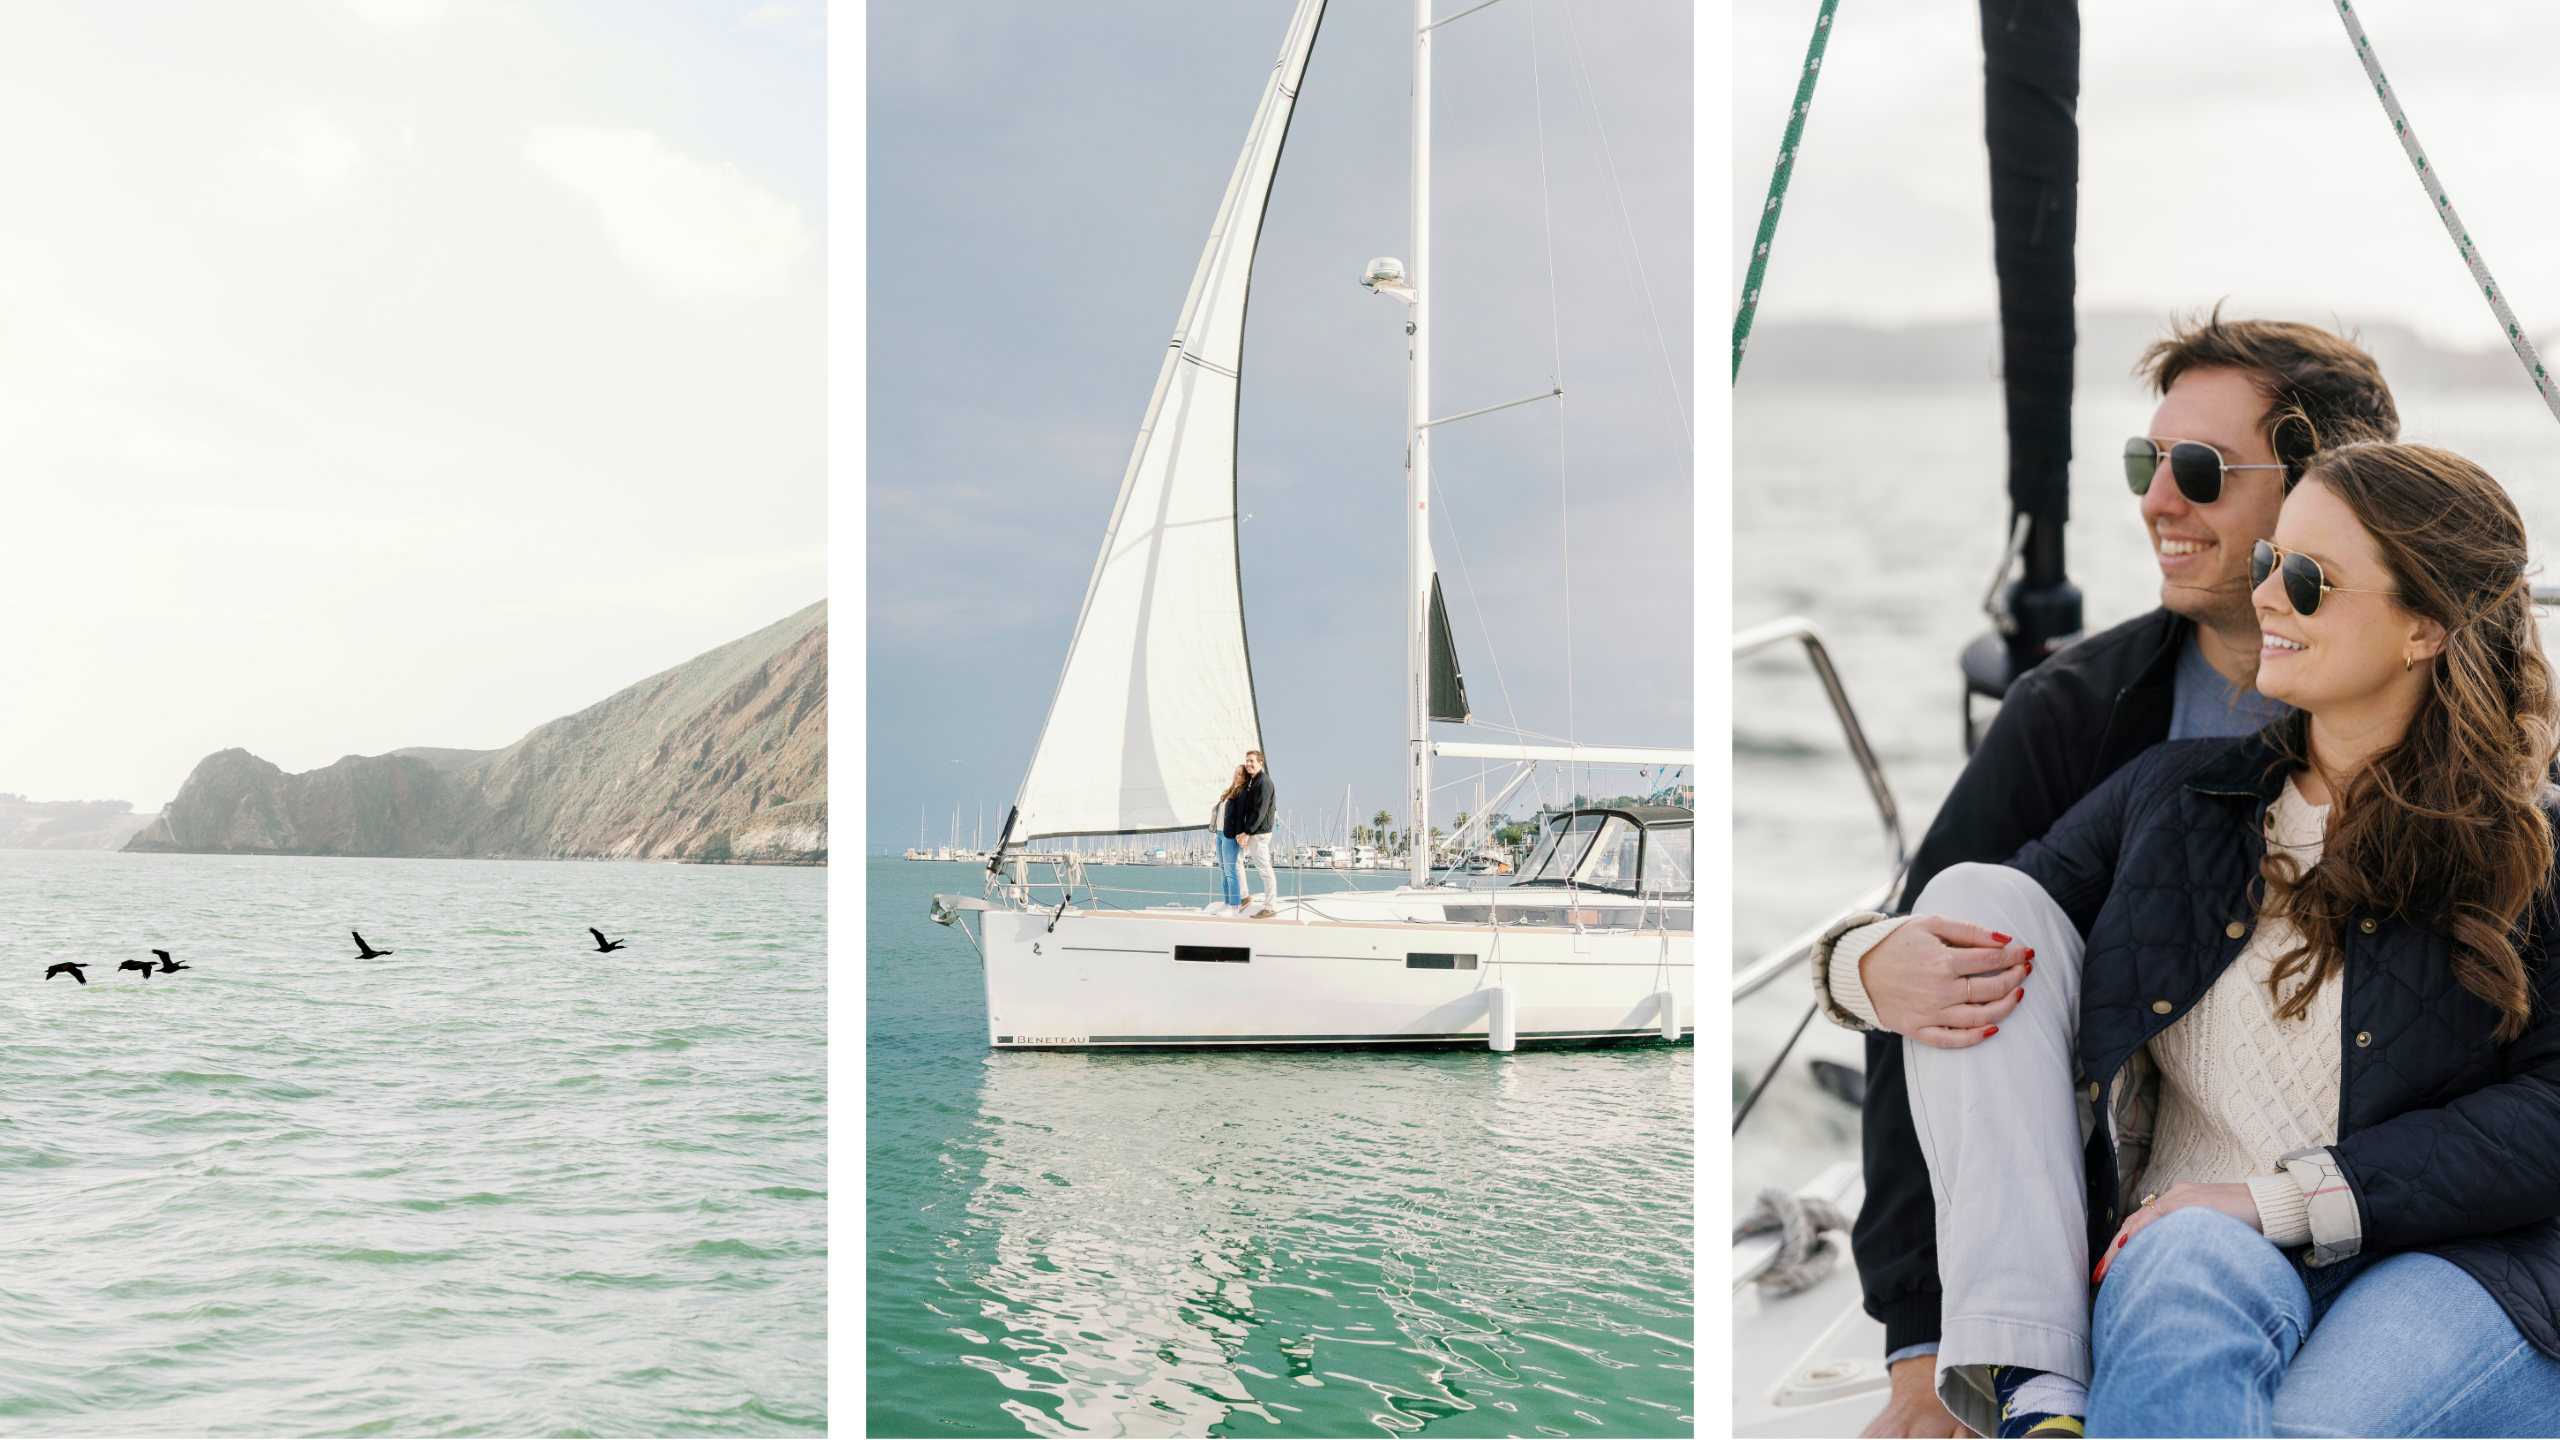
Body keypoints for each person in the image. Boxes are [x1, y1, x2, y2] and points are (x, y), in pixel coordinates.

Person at [1821, 442, 2560, 1436]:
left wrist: (2279, 1198)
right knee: (1972, 890)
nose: (2266, 599)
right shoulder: (2178, 795)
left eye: (2306, 580)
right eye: (2267, 564)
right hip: (2189, 1248)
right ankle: (2033, 1382)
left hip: (2444, 1263)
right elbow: (1986, 926)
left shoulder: (2529, 846)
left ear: (2423, 625)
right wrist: (1855, 963)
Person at [1838, 314, 2402, 1437]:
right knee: (1966, 907)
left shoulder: (2487, 743)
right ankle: (2030, 1383)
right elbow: (1929, 968)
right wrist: (1922, 1346)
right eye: (2145, 464)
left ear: (2319, 495)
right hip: (2153, 1210)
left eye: (2196, 469)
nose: (2154, 502)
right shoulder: (2081, 715)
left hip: (2391, 1211)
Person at [1222, 749, 1279, 918]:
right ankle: (1245, 896)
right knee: (1238, 860)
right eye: (1247, 761)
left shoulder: (1263, 782)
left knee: (1265, 870)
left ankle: (1270, 907)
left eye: (1252, 761)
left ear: (1260, 763)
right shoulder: (1255, 782)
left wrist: (1246, 832)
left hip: (1259, 834)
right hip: (1254, 832)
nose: (1248, 764)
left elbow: (1259, 812)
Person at [1210, 765, 1248, 914]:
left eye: (1240, 774)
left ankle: (1235, 906)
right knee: (1222, 871)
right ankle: (1226, 903)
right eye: (1236, 772)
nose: (1236, 775)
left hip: (1230, 836)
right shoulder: (1229, 792)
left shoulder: (1243, 793)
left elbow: (1240, 816)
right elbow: (1222, 816)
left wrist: (1241, 834)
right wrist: (1216, 834)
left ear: (1245, 778)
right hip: (1220, 834)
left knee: (1230, 872)